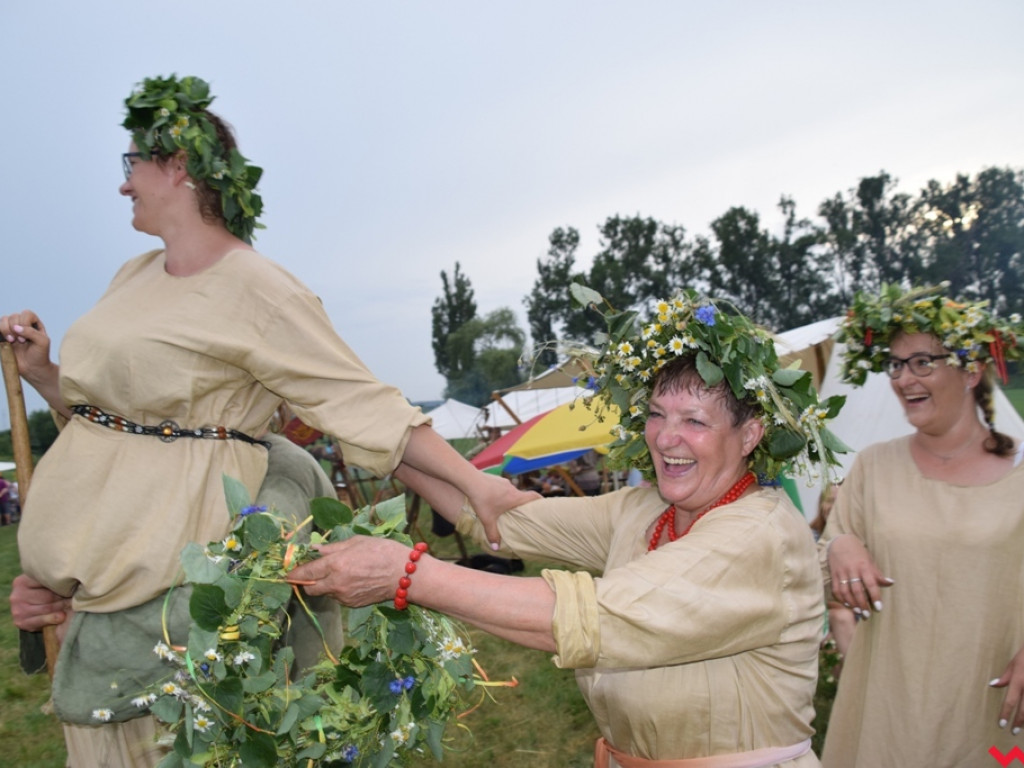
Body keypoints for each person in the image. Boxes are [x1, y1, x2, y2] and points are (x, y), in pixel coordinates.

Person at [2, 74, 531, 767]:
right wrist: (45, 373)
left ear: (179, 166)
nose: (124, 184)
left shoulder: (260, 288)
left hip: (163, 584)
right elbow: (119, 421)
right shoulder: (134, 273)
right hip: (91, 590)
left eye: (131, 164)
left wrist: (477, 488)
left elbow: (363, 405)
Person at [291, 288, 849, 767]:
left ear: (750, 435)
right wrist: (369, 428)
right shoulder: (644, 508)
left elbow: (591, 617)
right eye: (656, 414)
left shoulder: (759, 534)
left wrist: (406, 574)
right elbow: (497, 521)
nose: (665, 438)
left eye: (695, 421)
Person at [819, 284, 1024, 766]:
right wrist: (840, 544)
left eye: (922, 362)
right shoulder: (872, 467)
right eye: (896, 364)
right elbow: (823, 553)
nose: (902, 379)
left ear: (971, 369)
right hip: (889, 705)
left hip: (987, 708)